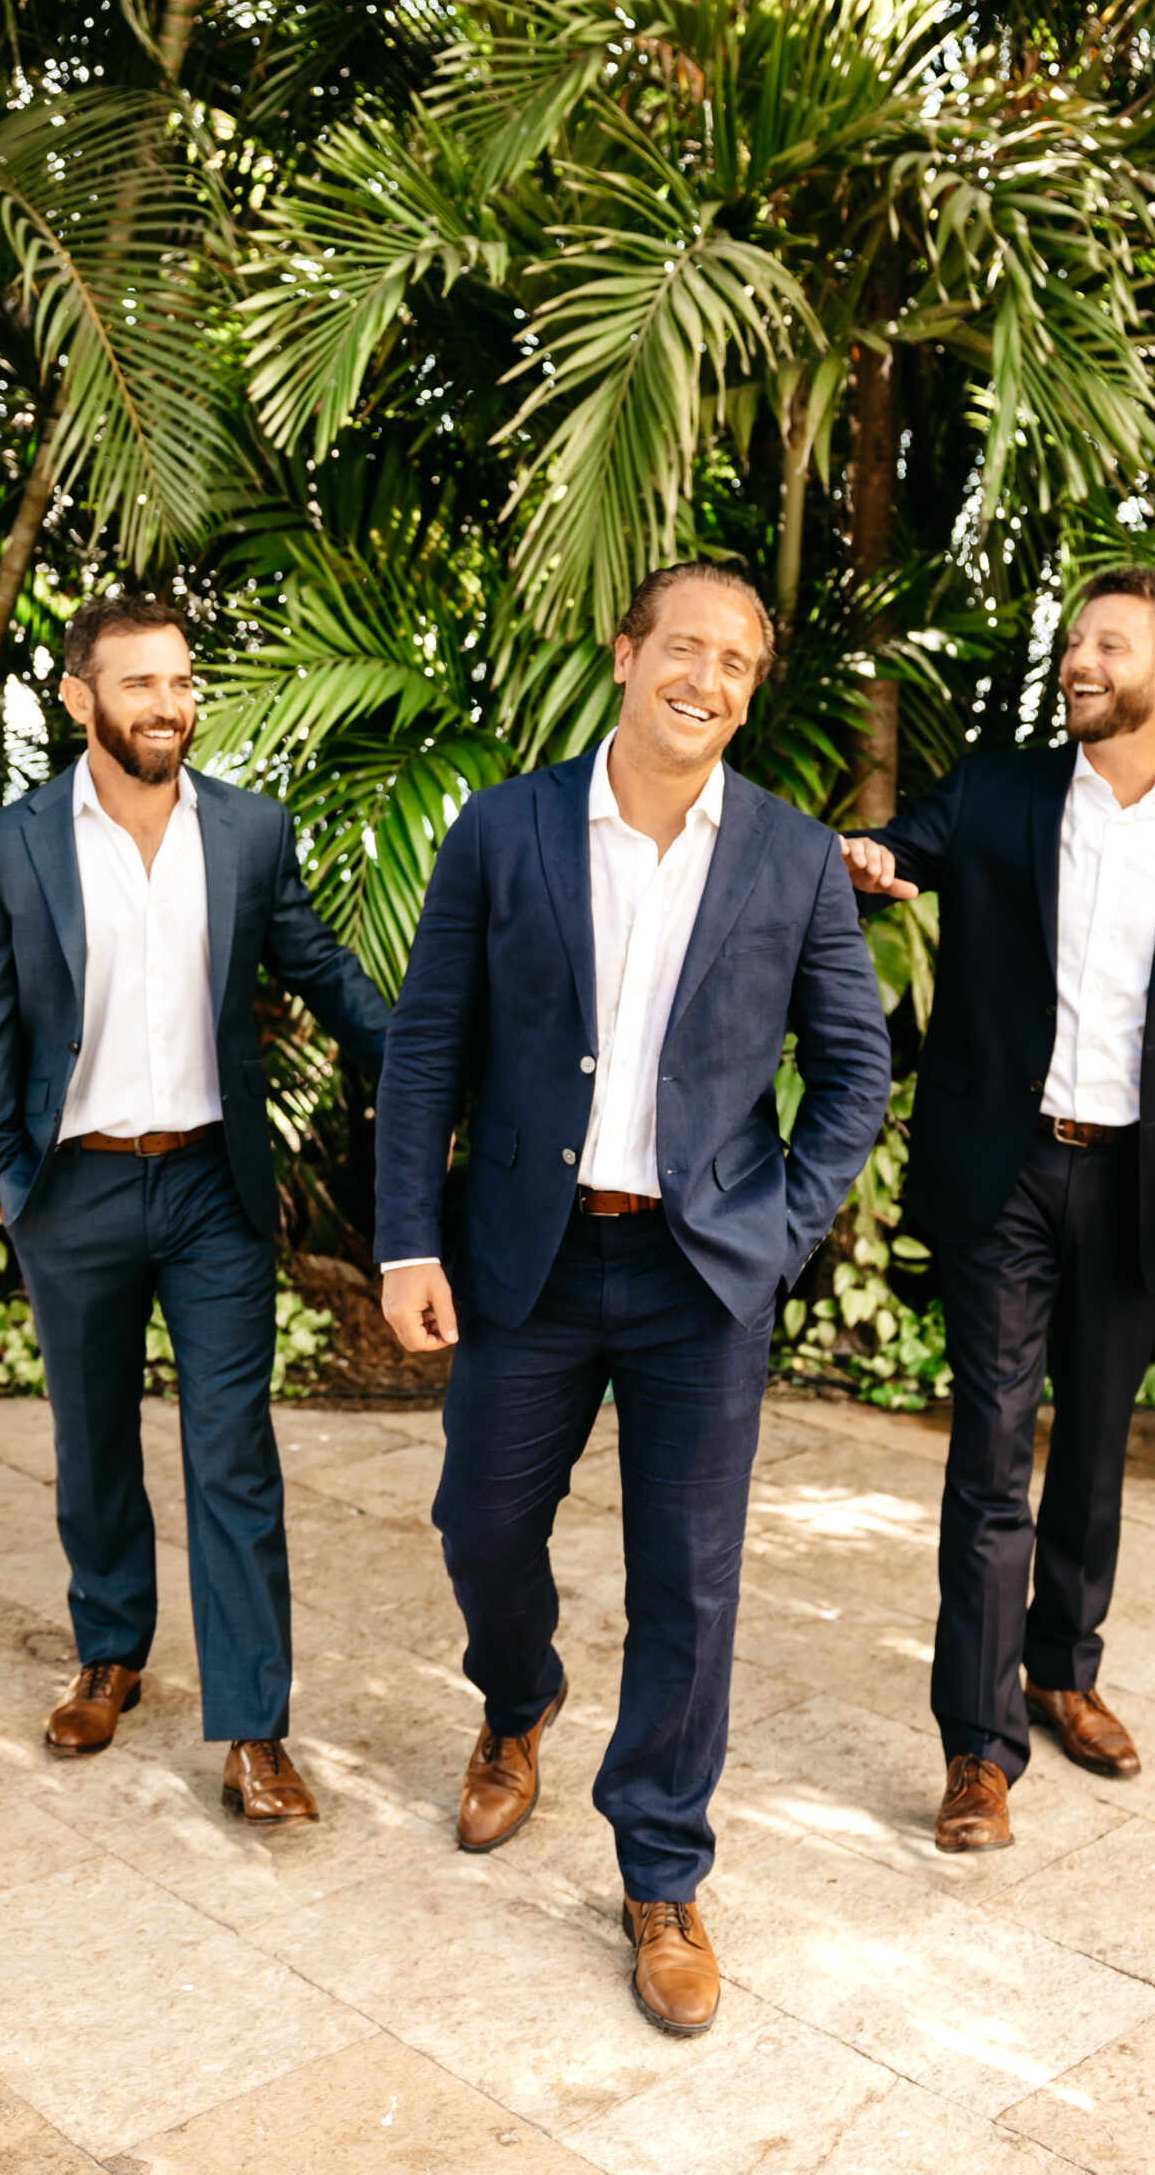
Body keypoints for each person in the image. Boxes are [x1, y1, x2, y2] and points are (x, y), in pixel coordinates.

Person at [373, 564, 893, 2034]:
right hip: (525, 1260)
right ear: (624, 654)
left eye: (736, 662)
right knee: (479, 1523)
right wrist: (406, 1241)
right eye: (684, 647)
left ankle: (661, 1871)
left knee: (689, 1579)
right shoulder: (504, 827)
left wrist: (778, 1230)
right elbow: (428, 1045)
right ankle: (517, 1698)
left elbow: (853, 1068)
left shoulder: (791, 856)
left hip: (699, 1276)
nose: (706, 679)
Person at [841, 567, 1155, 1852]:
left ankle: (1063, 1670)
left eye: (1111, 644)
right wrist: (874, 861)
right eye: (1074, 641)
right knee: (991, 1453)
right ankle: (977, 1749)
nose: (1080, 661)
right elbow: (904, 849)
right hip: (1005, 1172)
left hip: (1141, 1182)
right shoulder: (998, 793)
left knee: (1095, 1449)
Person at [0, 596, 390, 1817]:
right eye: (139, 682)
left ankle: (254, 1730)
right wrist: (8, 1183)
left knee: (232, 1452)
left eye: (182, 681)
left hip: (209, 1183)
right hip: (73, 1184)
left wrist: (425, 1066)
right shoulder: (6, 847)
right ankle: (110, 1651)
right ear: (79, 697)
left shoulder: (247, 830)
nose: (168, 705)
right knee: (92, 1438)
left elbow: (321, 967)